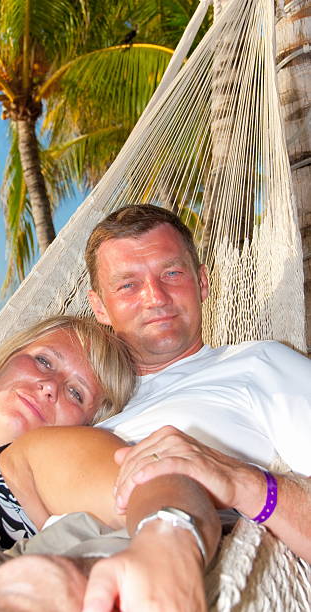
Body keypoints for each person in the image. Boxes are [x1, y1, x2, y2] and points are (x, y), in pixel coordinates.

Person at [0, 313, 221, 610]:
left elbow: (155, 479)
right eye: (43, 361)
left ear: (85, 424)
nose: (50, 387)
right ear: (7, 357)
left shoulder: (36, 454)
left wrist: (169, 541)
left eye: (76, 394)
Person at [83, 203, 311, 566]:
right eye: (128, 285)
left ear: (202, 282)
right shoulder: (78, 398)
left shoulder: (258, 364)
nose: (155, 298)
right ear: (100, 308)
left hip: (153, 560)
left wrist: (243, 482)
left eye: (171, 273)